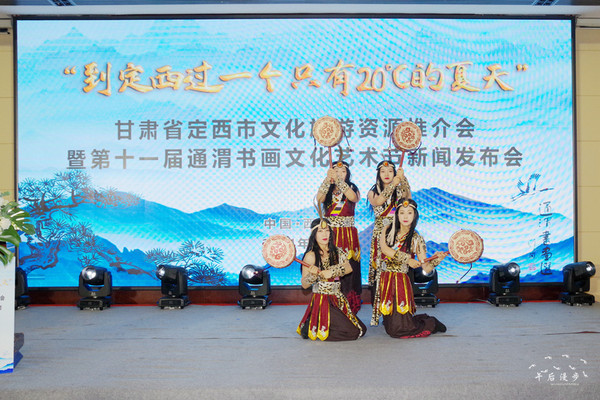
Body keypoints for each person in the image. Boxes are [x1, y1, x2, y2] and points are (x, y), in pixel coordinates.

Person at [373, 198, 447, 338]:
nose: (405, 216)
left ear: (415, 215)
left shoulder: (416, 238)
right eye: (402, 212)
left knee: (400, 330)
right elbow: (385, 249)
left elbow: (426, 268)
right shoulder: (387, 229)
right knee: (391, 326)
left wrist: (437, 260)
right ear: (397, 215)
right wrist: (408, 259)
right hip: (385, 279)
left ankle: (431, 322)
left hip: (400, 281)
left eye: (409, 213)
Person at [297, 218, 366, 341]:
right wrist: (313, 275)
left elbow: (349, 268)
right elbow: (305, 285)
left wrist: (331, 272)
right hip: (322, 300)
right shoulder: (311, 255)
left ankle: (318, 324)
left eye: (327, 231)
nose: (324, 234)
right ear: (314, 234)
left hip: (338, 298)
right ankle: (316, 325)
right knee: (353, 332)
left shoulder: (337, 251)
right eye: (320, 231)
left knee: (362, 329)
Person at [367, 160, 411, 325]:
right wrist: (394, 183)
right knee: (381, 271)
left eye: (390, 171)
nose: (386, 174)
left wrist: (403, 180)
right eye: (383, 171)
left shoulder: (399, 190)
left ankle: (399, 311)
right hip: (381, 236)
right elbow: (379, 202)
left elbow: (409, 200)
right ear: (378, 174)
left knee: (398, 271)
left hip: (399, 234)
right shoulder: (372, 192)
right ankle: (381, 311)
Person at [316, 161, 362, 313]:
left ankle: (350, 303)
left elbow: (353, 198)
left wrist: (339, 181)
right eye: (336, 171)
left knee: (349, 266)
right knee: (330, 264)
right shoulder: (328, 189)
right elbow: (319, 199)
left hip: (348, 235)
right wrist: (326, 180)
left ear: (347, 174)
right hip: (331, 234)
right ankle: (332, 302)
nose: (340, 174)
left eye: (343, 171)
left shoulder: (352, 188)